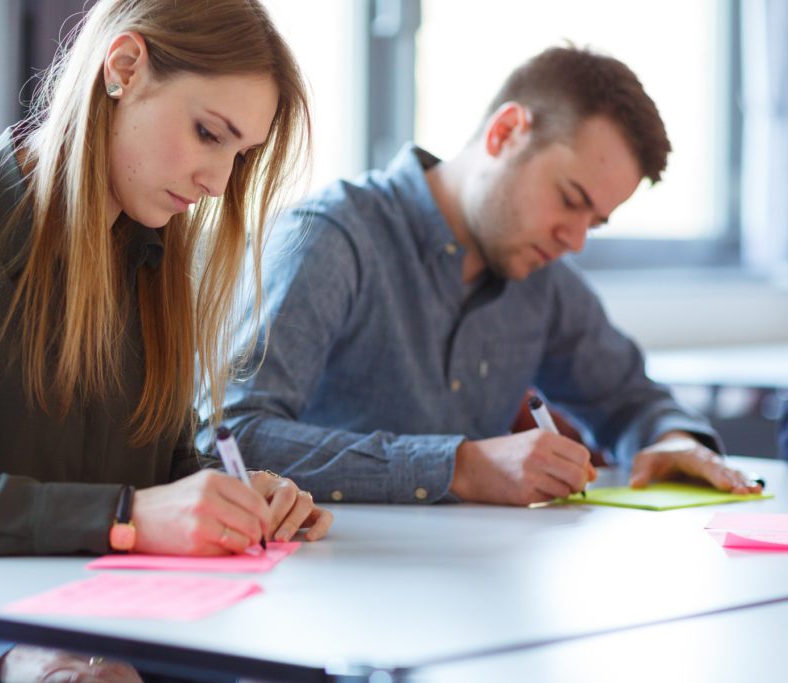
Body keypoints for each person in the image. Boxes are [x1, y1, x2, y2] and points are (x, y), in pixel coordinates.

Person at [0, 1, 332, 681]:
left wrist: (229, 498)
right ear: (123, 67)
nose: (218, 183)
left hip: (124, 636)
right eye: (209, 133)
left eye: (241, 155)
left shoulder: (157, 261)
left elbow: (159, 470)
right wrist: (125, 517)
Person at [205, 46, 764, 507]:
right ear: (504, 134)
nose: (575, 240)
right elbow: (227, 438)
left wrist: (675, 440)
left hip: (474, 594)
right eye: (571, 200)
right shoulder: (331, 238)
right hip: (318, 594)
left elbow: (629, 397)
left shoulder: (540, 276)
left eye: (594, 222)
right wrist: (459, 465)